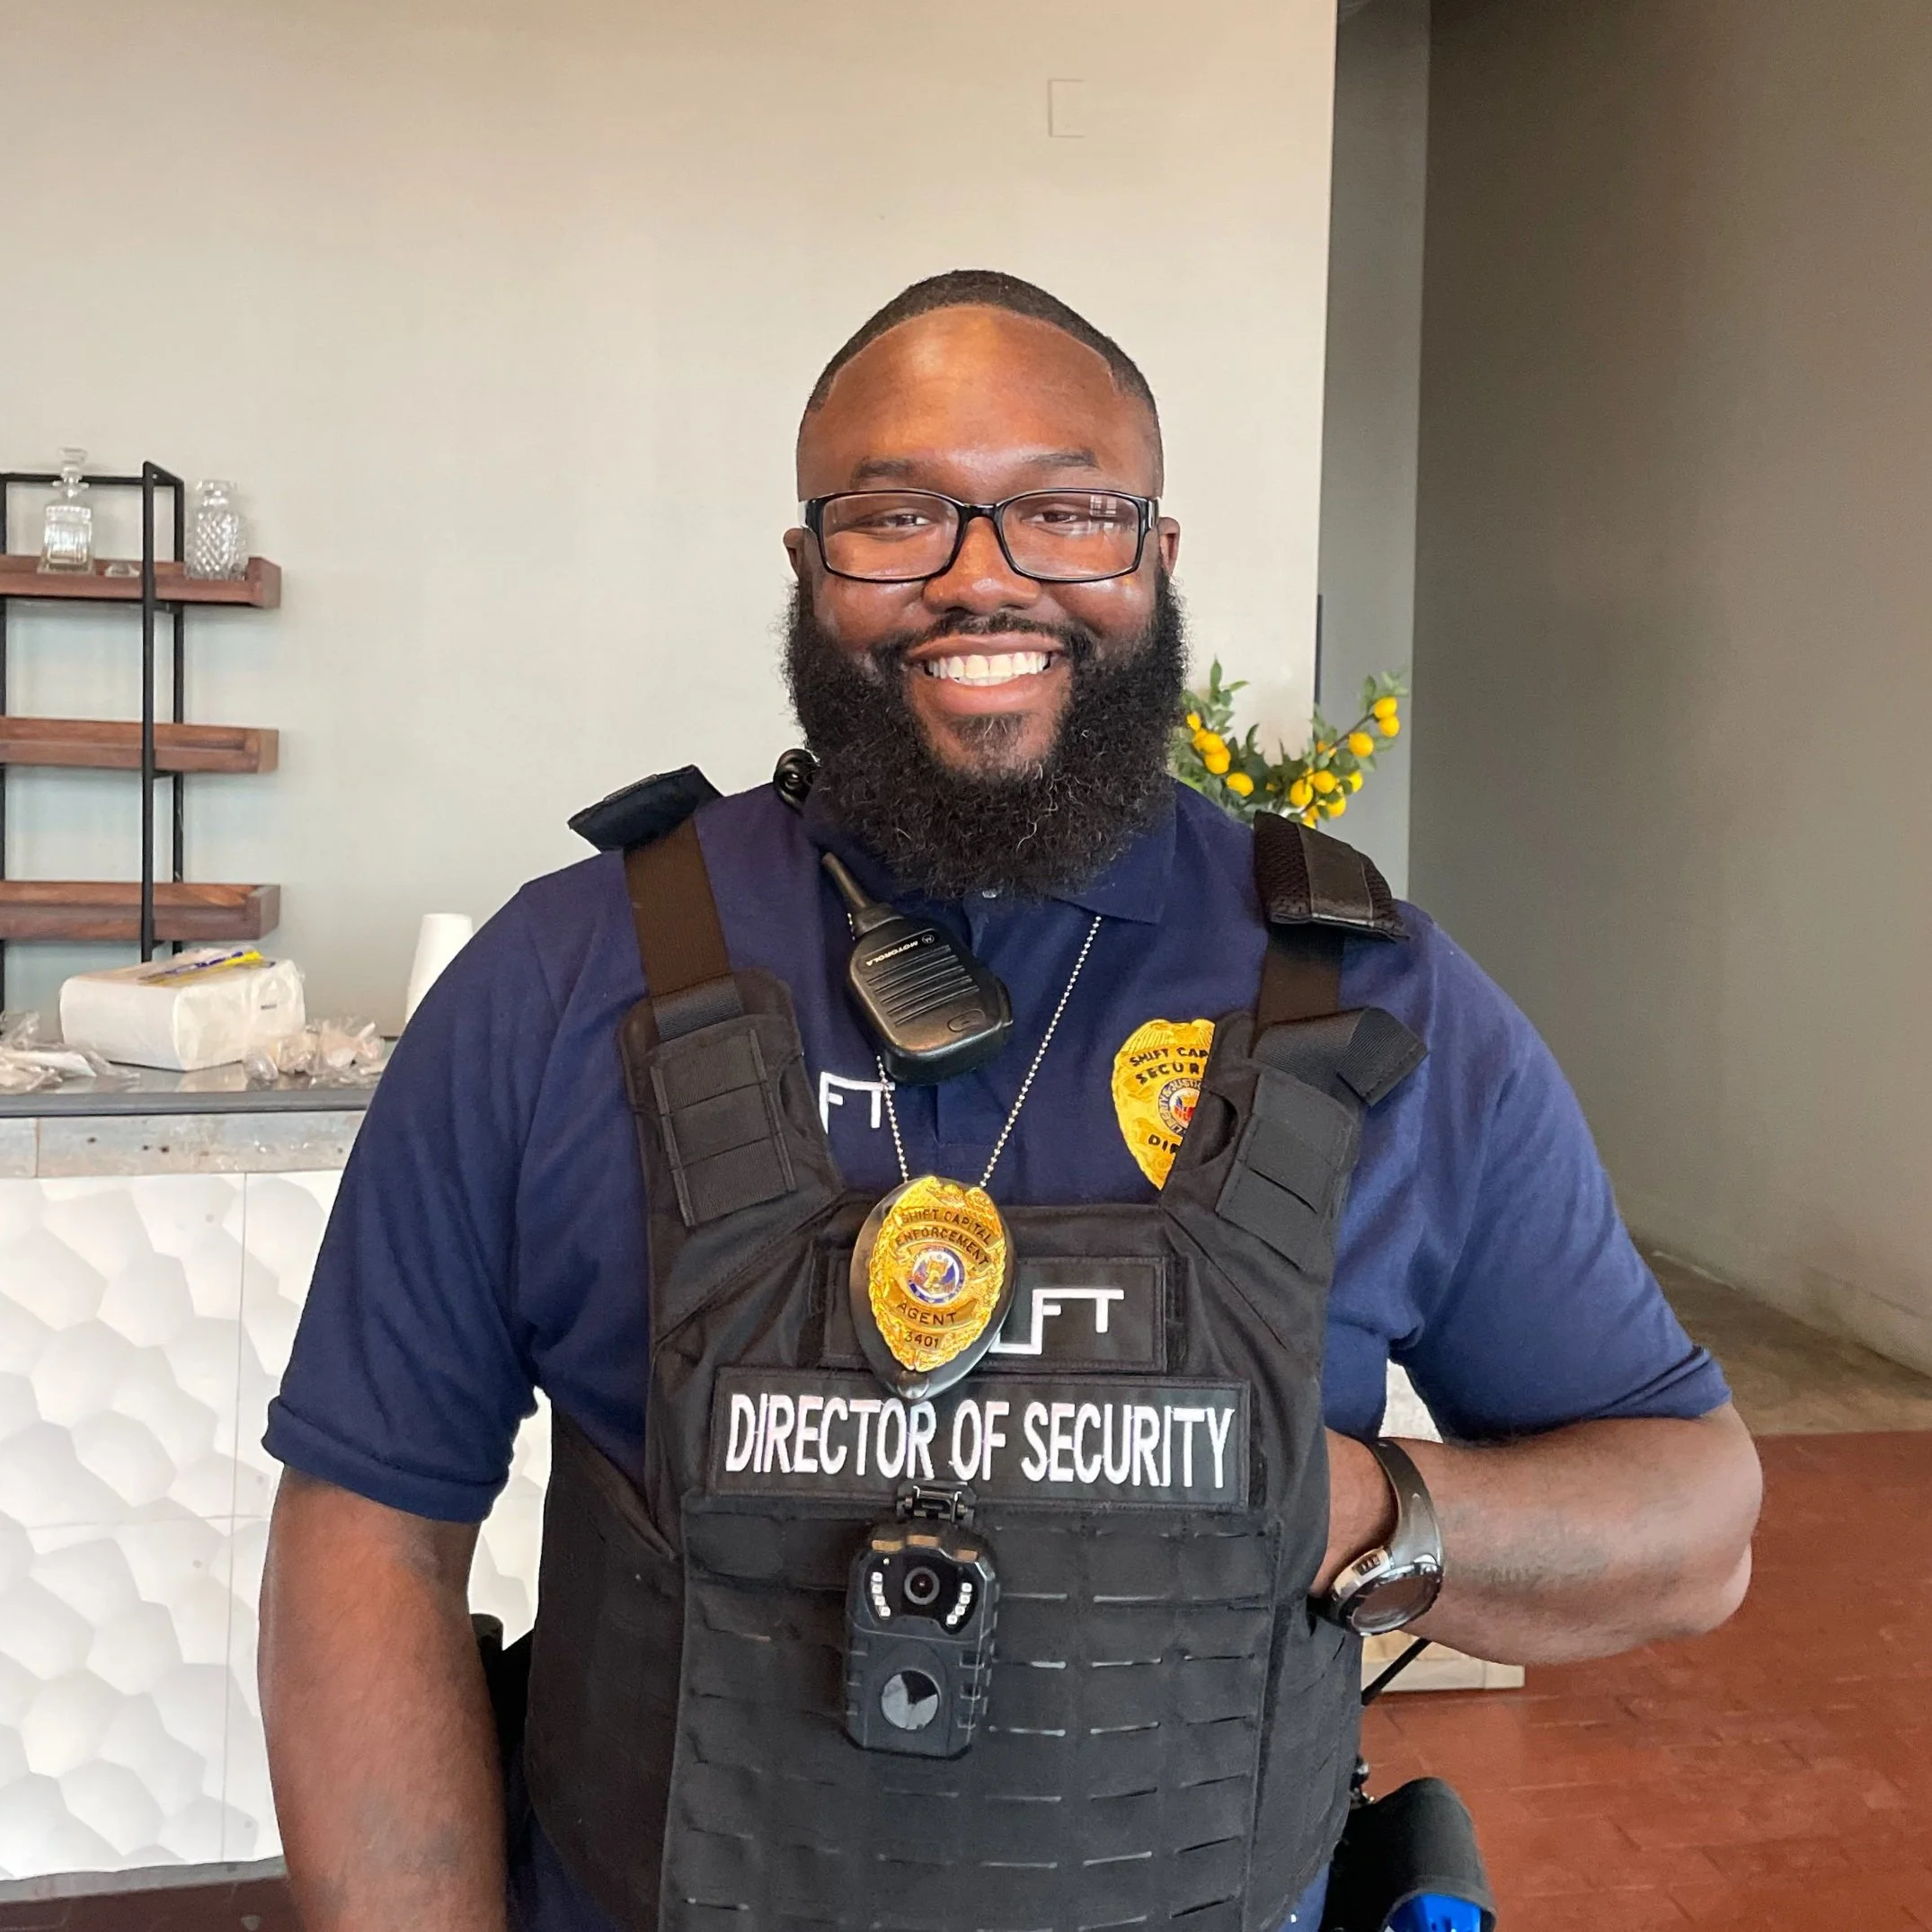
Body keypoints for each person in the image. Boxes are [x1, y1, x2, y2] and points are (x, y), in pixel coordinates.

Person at [258, 270, 1762, 1932]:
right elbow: (368, 1524)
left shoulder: (1371, 1001)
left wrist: (1357, 1508)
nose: (980, 574)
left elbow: (1693, 1519)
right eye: (894, 515)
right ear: (807, 567)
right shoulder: (560, 980)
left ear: (1156, 555)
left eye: (1065, 509)